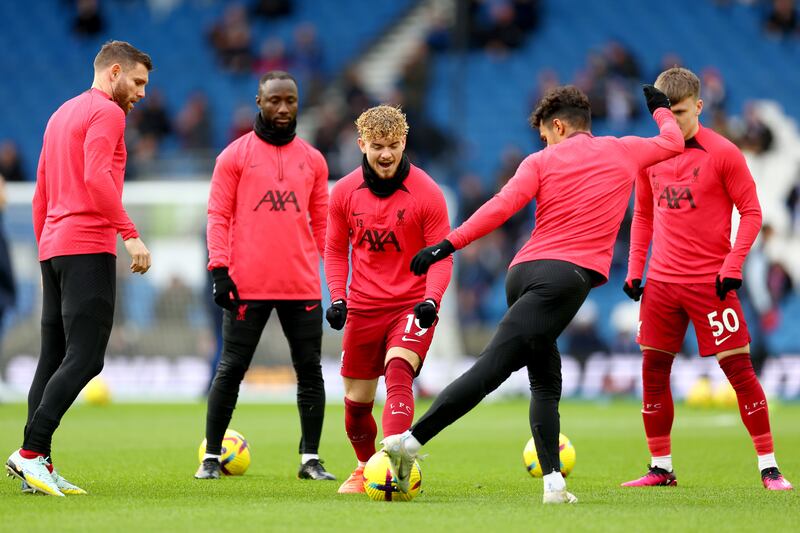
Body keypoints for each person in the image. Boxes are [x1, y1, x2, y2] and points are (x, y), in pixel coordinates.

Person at [382, 84, 684, 504]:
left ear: (557, 125)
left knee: (545, 380)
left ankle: (553, 486)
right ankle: (408, 443)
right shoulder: (623, 149)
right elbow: (674, 141)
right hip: (563, 280)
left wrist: (448, 243)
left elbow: (501, 207)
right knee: (492, 369)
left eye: (545, 133)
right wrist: (661, 110)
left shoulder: (538, 161)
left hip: (522, 273)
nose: (545, 141)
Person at [620, 67, 792, 491]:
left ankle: (769, 468)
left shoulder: (723, 152)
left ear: (698, 106)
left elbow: (752, 213)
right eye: (665, 112)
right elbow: (642, 215)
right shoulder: (650, 155)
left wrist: (733, 264)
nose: (672, 121)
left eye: (679, 112)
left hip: (709, 283)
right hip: (661, 284)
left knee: (739, 370)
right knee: (653, 372)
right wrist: (634, 269)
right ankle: (661, 468)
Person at [4, 40, 153, 497]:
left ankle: (38, 467)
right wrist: (129, 233)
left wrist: (45, 246)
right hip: (87, 245)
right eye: (138, 81)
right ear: (113, 72)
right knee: (87, 357)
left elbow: (40, 193)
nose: (142, 93)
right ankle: (29, 453)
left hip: (54, 247)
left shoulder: (60, 114)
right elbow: (95, 177)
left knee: (53, 357)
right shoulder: (108, 113)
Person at [196, 71, 335, 482]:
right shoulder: (234, 157)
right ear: (259, 102)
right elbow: (218, 216)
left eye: (290, 101)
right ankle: (211, 457)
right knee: (231, 369)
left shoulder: (313, 160)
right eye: (274, 100)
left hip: (301, 284)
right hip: (246, 284)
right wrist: (219, 270)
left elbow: (324, 224)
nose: (282, 108)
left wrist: (341, 283)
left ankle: (310, 459)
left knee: (310, 371)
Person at [324, 105, 452, 493]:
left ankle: (396, 464)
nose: (386, 154)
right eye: (377, 145)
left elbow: (441, 256)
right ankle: (366, 468)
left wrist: (431, 299)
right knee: (356, 402)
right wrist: (338, 297)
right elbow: (333, 250)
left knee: (399, 371)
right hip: (363, 306)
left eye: (394, 145)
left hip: (412, 305)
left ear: (404, 142)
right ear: (361, 143)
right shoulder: (344, 192)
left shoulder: (428, 192)